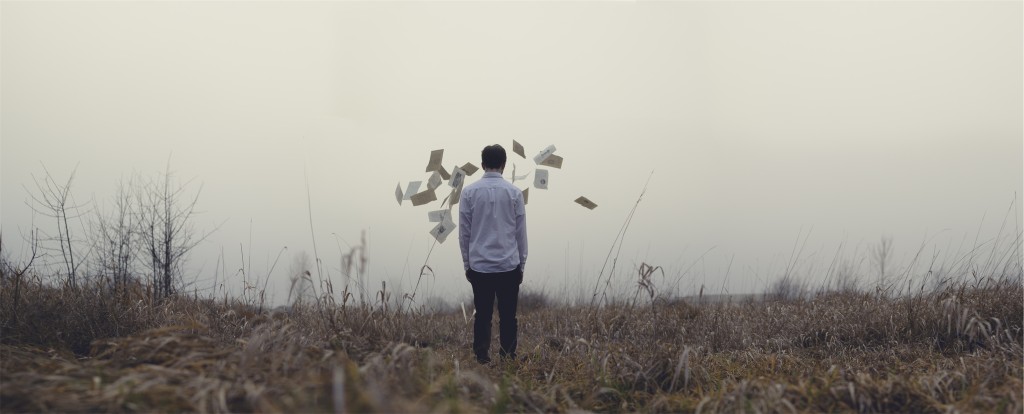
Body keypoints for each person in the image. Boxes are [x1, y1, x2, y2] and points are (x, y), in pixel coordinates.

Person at [459, 144, 528, 364]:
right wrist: (521, 264)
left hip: (480, 265)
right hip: (509, 264)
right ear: (504, 165)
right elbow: (520, 234)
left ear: (482, 165)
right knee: (509, 316)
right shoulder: (515, 193)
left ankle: (482, 357)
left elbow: (464, 234)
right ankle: (508, 356)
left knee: (483, 315)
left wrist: (467, 264)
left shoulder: (468, 193)